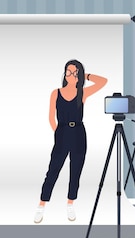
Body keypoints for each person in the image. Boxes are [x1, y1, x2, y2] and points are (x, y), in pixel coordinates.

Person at [34, 59, 107, 223]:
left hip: (79, 134)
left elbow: (103, 81)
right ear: (64, 73)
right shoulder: (56, 92)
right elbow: (50, 116)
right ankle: (41, 204)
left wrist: (85, 75)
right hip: (62, 132)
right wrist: (58, 133)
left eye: (75, 72)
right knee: (53, 170)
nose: (71, 75)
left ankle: (70, 203)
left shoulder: (83, 92)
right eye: (69, 71)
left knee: (76, 171)